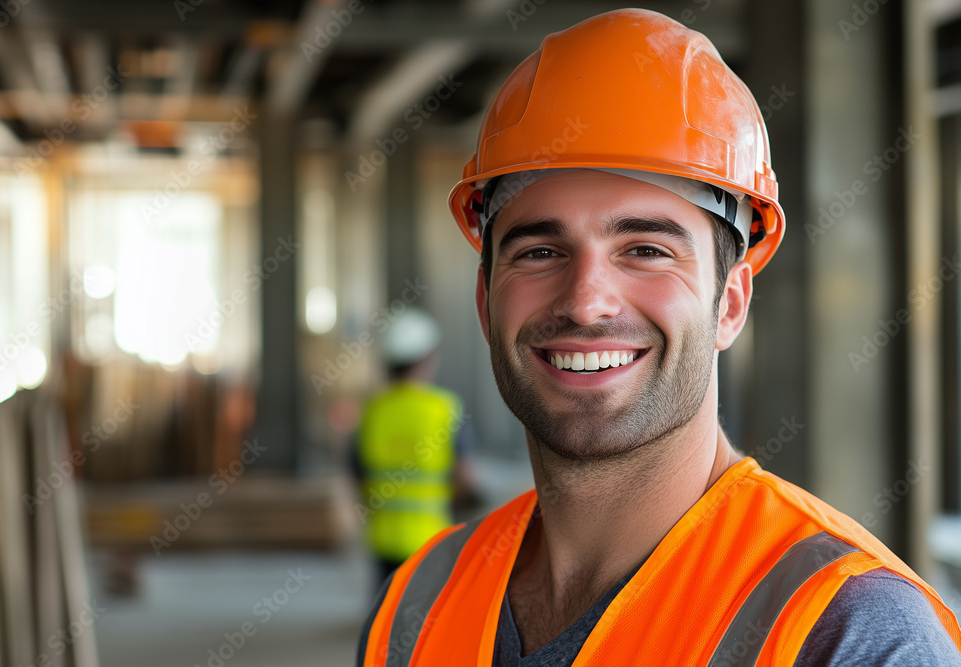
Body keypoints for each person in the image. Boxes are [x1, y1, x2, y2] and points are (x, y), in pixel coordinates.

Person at [357, 8, 961, 666]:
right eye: (538, 252)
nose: (586, 302)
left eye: (645, 248)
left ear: (728, 304)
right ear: (485, 302)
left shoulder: (847, 630)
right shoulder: (416, 606)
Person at [351, 307, 476, 588]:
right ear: (426, 358)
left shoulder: (372, 412)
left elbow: (357, 474)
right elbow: (466, 479)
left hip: (382, 538)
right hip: (432, 537)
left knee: (387, 617)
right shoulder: (446, 410)